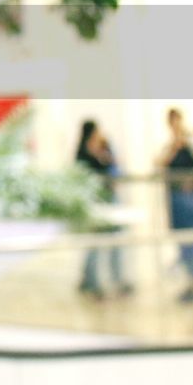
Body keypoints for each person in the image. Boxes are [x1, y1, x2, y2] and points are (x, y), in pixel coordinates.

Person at [75, 120, 132, 300]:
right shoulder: (83, 155)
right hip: (95, 204)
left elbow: (112, 167)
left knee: (112, 241)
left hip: (108, 201)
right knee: (96, 243)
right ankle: (90, 281)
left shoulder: (102, 149)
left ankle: (116, 279)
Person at [159, 108, 193, 303]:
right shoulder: (169, 146)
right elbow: (160, 164)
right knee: (182, 240)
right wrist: (173, 148)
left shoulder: (192, 144)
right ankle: (190, 280)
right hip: (175, 198)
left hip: (189, 199)